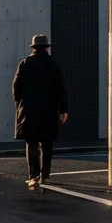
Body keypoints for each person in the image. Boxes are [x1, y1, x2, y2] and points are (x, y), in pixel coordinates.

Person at [12, 34, 68, 188]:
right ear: (46, 48)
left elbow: (16, 88)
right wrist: (63, 110)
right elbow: (61, 89)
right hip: (49, 110)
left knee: (32, 143)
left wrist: (20, 105)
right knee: (47, 143)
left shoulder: (24, 64)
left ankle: (34, 175)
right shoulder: (53, 65)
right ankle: (45, 175)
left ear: (33, 48)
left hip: (29, 110)